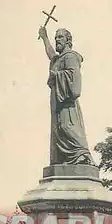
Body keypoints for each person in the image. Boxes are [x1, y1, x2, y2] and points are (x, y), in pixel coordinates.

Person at [38, 26, 94, 166]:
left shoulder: (70, 57)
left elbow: (73, 80)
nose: (57, 40)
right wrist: (45, 38)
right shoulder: (60, 58)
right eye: (56, 37)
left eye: (60, 37)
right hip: (58, 102)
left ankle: (83, 154)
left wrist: (56, 75)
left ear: (68, 40)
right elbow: (52, 55)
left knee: (67, 127)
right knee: (60, 130)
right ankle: (69, 159)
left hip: (67, 102)